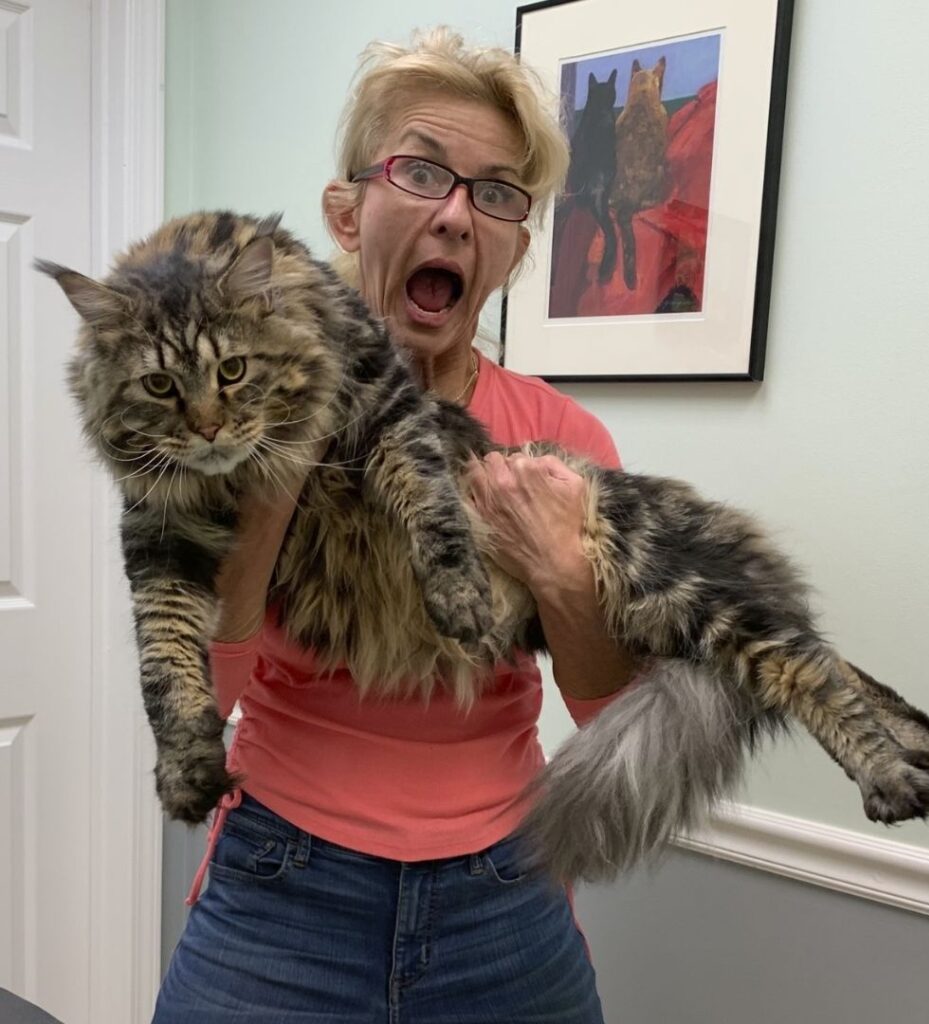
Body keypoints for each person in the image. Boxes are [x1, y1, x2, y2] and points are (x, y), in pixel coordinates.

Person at [154, 27, 635, 1024]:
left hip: (504, 897)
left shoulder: (560, 436)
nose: (457, 216)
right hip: (282, 888)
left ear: (513, 245)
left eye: (497, 193)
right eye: (421, 171)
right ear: (349, 207)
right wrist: (278, 478)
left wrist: (563, 580)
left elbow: (606, 716)